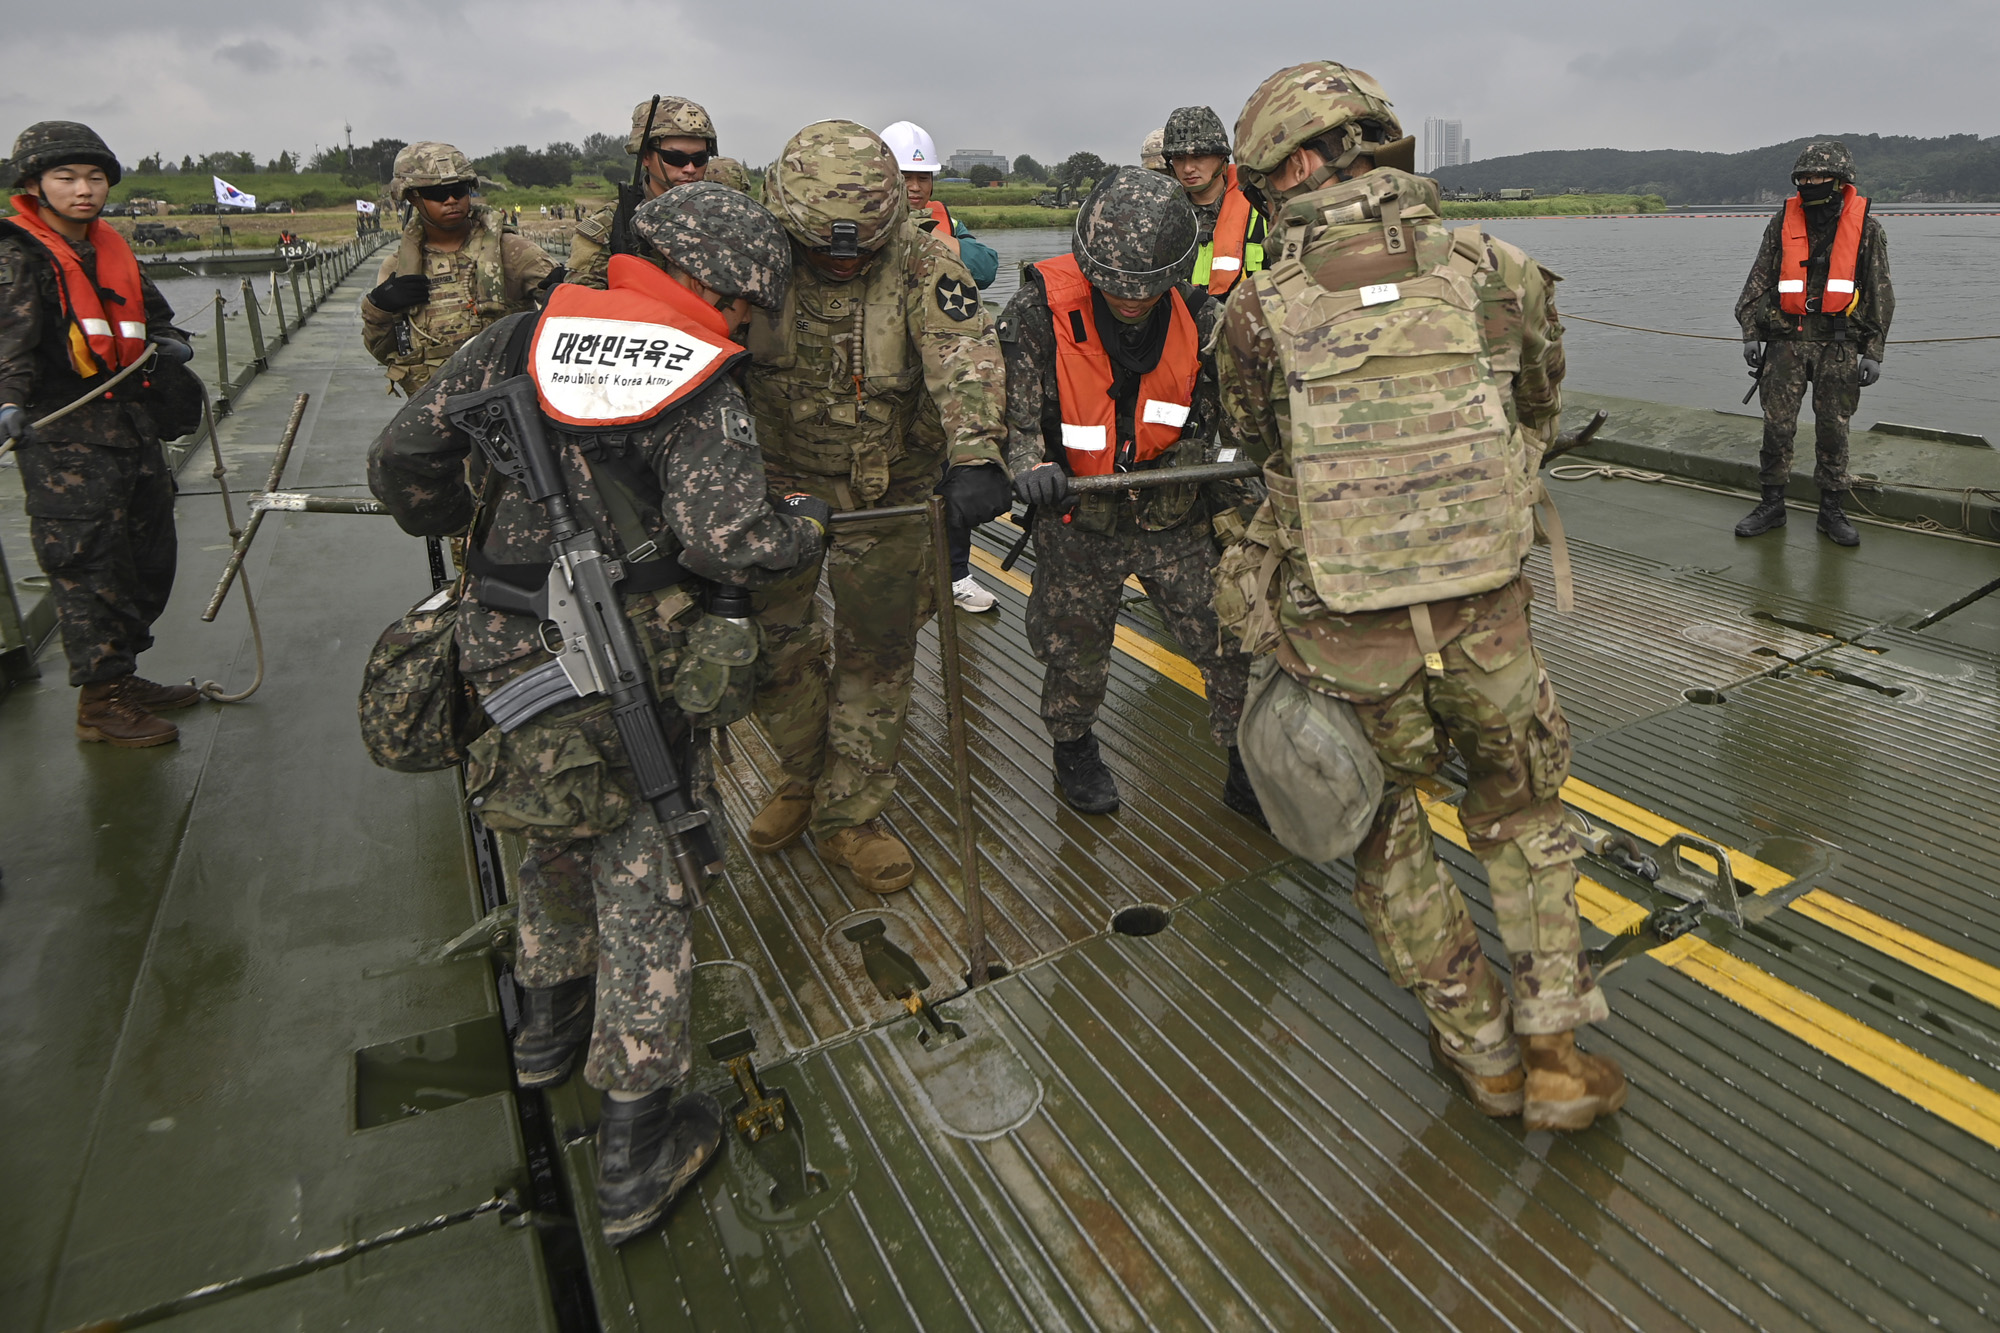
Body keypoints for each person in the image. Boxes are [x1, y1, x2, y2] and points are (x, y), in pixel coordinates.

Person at [369, 184, 831, 1246]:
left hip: (502, 644)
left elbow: (401, 461)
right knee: (647, 884)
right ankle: (638, 1146)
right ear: (728, 281)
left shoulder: (524, 335)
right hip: (632, 670)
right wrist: (803, 527)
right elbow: (726, 542)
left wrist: (477, 538)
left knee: (547, 835)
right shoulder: (695, 376)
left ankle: (543, 1032)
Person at [1214, 61, 1624, 1132]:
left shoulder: (1255, 313)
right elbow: (1534, 400)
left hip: (1349, 638)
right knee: (1523, 811)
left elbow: (1265, 447)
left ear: (1291, 168)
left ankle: (1480, 1051)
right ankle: (1555, 1055)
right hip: (1485, 619)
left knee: (1383, 825)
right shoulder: (1498, 268)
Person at [742, 120, 1011, 894]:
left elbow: (965, 354)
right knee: (774, 644)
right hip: (777, 479)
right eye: (824, 249)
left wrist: (976, 452)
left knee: (878, 652)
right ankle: (803, 773)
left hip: (888, 481)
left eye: (857, 248)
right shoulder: (752, 256)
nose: (841, 261)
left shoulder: (925, 258)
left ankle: (848, 813)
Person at [999, 168, 1259, 820]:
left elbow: (1239, 423)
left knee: (1229, 641)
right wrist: (1029, 464)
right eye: (1116, 286)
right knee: (1074, 649)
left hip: (1173, 517)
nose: (1131, 299)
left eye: (1147, 288)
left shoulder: (1205, 319)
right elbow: (1010, 418)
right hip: (1078, 516)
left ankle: (1243, 764)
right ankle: (1074, 746)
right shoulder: (1035, 314)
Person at [0, 121, 199, 746]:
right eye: (66, 178)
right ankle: (100, 702)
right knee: (88, 567)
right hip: (65, 442)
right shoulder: (18, 256)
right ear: (34, 186)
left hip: (130, 428)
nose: (83, 190)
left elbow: (154, 315)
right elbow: (10, 345)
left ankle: (123, 676)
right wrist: (6, 402)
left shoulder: (107, 246)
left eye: (94, 178)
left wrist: (169, 344)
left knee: (147, 559)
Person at [1732, 141, 1893, 547]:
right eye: (1803, 178)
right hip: (1786, 342)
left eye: (1817, 177)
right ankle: (1771, 505)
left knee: (1834, 430)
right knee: (1776, 427)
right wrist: (1751, 331)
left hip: (1837, 346)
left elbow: (1880, 292)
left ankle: (1831, 511)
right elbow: (1758, 280)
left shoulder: (1867, 230)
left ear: (1839, 182)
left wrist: (1873, 352)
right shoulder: (1781, 223)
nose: (1809, 183)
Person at [879, 120, 1003, 613]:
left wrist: (932, 247)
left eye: (923, 177)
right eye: (905, 175)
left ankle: (955, 575)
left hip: (938, 377)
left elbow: (986, 265)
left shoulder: (940, 220)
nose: (914, 187)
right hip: (880, 378)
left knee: (948, 480)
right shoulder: (848, 226)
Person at [360, 142, 554, 396]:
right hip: (431, 404)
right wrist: (379, 307)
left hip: (507, 401)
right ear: (412, 197)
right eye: (438, 194)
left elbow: (570, 314)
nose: (451, 200)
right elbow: (382, 351)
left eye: (459, 191)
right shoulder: (398, 268)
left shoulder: (513, 251)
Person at [570, 97, 718, 291]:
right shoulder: (609, 226)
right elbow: (584, 302)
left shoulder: (722, 217)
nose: (690, 168)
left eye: (699, 158)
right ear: (646, 156)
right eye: (676, 158)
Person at [1162, 105, 1268, 298]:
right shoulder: (1161, 216)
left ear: (1222, 156)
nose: (1187, 168)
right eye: (1178, 158)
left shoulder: (1262, 208)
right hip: (1181, 323)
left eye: (1198, 156)